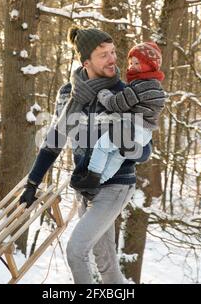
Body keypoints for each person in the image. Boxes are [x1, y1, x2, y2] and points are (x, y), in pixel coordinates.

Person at [19, 26, 152, 284]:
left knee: (75, 251)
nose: (113, 59)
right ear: (85, 62)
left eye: (113, 52)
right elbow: (54, 141)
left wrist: (123, 141)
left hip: (115, 184)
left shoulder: (124, 95)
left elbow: (145, 151)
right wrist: (32, 183)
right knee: (106, 263)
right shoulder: (69, 95)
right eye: (103, 55)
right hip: (85, 186)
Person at [70, 42, 167, 195]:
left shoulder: (140, 87)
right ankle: (99, 184)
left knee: (102, 146)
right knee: (116, 156)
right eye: (130, 63)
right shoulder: (157, 89)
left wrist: (104, 95)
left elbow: (117, 104)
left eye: (137, 63)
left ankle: (90, 179)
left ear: (150, 66)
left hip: (131, 128)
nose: (132, 66)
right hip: (144, 133)